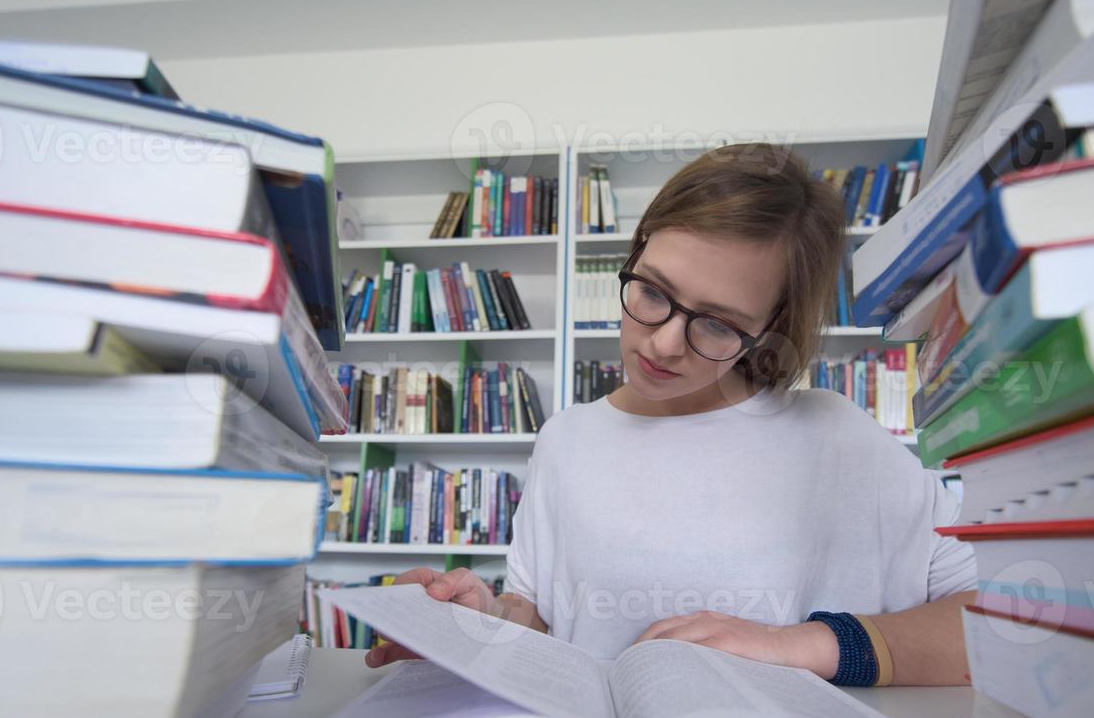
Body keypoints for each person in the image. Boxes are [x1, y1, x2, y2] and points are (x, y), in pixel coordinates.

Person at [366, 142, 975, 686]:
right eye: (653, 291)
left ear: (771, 331)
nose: (662, 344)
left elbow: (1003, 618)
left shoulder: (836, 437)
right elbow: (544, 624)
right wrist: (483, 620)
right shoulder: (567, 439)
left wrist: (801, 645)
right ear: (635, 254)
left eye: (718, 323)